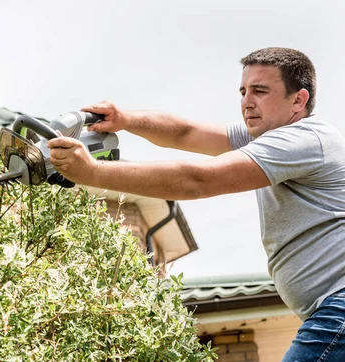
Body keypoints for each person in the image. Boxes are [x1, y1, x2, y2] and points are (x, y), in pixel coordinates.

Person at [47, 47, 345, 361]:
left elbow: (197, 181)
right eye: (243, 91)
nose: (246, 101)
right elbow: (186, 132)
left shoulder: (303, 140)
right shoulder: (266, 138)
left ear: (298, 99)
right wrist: (125, 119)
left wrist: (91, 172)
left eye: (260, 91)